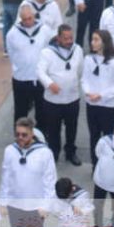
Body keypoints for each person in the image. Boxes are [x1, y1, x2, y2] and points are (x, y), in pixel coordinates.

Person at [0, 118, 57, 227]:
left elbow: (50, 181)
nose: (20, 138)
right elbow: (6, 177)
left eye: (24, 134)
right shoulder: (10, 151)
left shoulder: (44, 153)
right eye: (17, 134)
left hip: (35, 208)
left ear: (32, 133)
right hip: (15, 206)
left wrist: (46, 206)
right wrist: (3, 202)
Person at [37, 25, 85, 165]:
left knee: (72, 128)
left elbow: (80, 70)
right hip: (53, 100)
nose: (69, 41)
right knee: (53, 129)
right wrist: (50, 84)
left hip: (72, 98)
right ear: (58, 38)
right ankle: (54, 152)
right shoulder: (47, 52)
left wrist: (73, 83)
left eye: (71, 38)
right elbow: (40, 72)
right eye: (65, 38)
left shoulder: (77, 50)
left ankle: (70, 152)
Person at [82, 30, 114, 165]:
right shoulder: (89, 59)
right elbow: (84, 79)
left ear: (104, 42)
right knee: (94, 136)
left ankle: (108, 164)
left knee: (108, 137)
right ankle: (95, 165)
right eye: (92, 39)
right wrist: (88, 92)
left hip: (107, 106)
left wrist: (101, 95)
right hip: (92, 104)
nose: (92, 42)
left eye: (96, 40)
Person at [7, 4, 54, 122]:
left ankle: (42, 132)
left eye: (30, 18)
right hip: (21, 78)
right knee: (20, 111)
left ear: (34, 16)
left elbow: (51, 51)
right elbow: (11, 54)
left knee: (42, 111)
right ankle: (20, 133)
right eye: (25, 19)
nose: (28, 22)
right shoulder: (12, 33)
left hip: (40, 78)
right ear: (20, 19)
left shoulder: (45, 30)